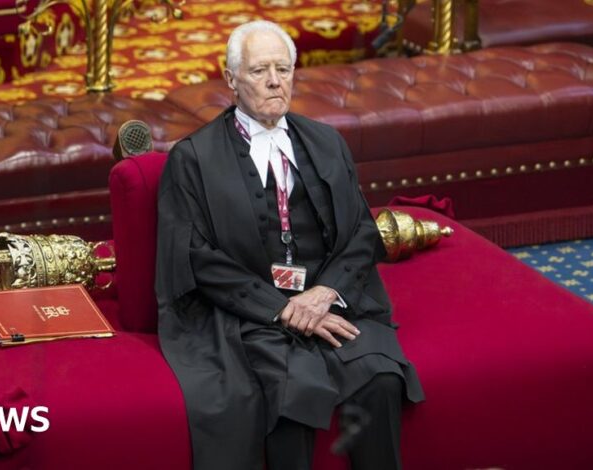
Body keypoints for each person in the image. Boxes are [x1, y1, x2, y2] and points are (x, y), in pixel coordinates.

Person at [155, 20, 424, 470]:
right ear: (231, 80)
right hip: (251, 313)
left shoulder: (325, 141)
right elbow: (196, 257)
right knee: (294, 389)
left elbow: (361, 230)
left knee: (379, 377)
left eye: (284, 68)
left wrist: (325, 294)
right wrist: (281, 309)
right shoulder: (194, 159)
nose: (275, 81)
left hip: (329, 301)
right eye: (260, 70)